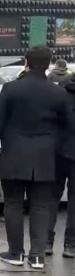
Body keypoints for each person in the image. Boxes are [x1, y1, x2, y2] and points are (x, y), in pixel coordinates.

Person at [0, 46, 75, 269]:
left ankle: (15, 253)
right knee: (41, 205)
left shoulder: (11, 89)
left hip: (14, 154)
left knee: (13, 204)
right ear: (49, 63)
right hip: (45, 157)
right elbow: (69, 127)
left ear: (26, 62)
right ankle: (37, 256)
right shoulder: (58, 93)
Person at [49, 74, 75, 258]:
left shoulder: (59, 91)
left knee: (51, 198)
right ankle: (71, 245)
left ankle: (46, 242)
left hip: (57, 151)